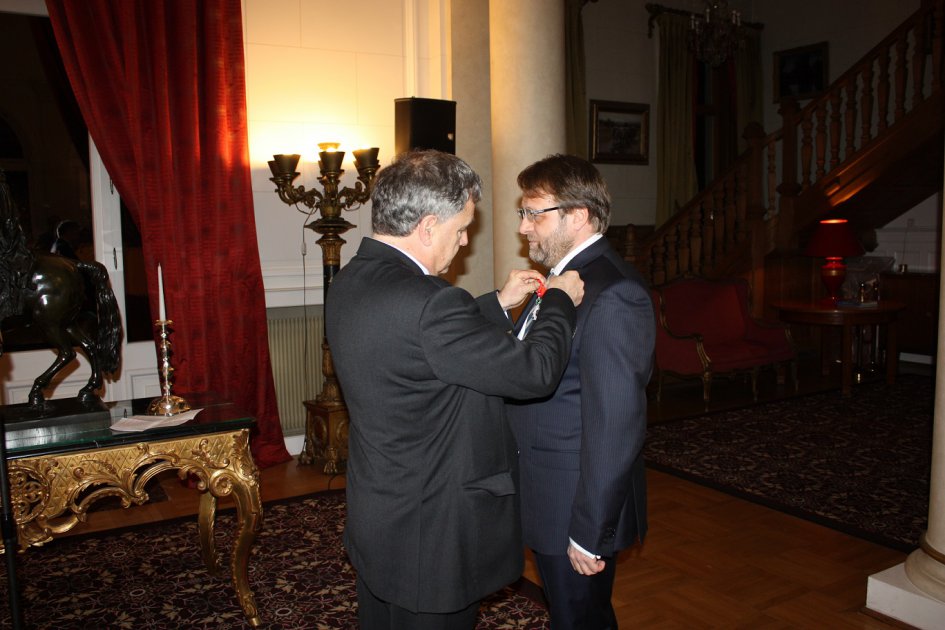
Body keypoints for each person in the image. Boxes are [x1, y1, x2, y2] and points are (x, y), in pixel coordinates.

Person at [325, 149, 584, 629]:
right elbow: (534, 371)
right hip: (433, 536)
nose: (466, 241)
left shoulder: (351, 280)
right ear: (426, 227)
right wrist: (560, 304)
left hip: (380, 517)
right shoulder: (432, 304)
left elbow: (413, 349)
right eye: (461, 227)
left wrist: (494, 304)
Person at [506, 154, 655, 629]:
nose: (525, 227)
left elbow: (616, 425)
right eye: (523, 213)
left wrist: (591, 533)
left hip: (573, 505)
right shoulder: (563, 280)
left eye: (535, 213)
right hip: (545, 491)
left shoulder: (613, 293)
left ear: (579, 215)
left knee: (580, 620)